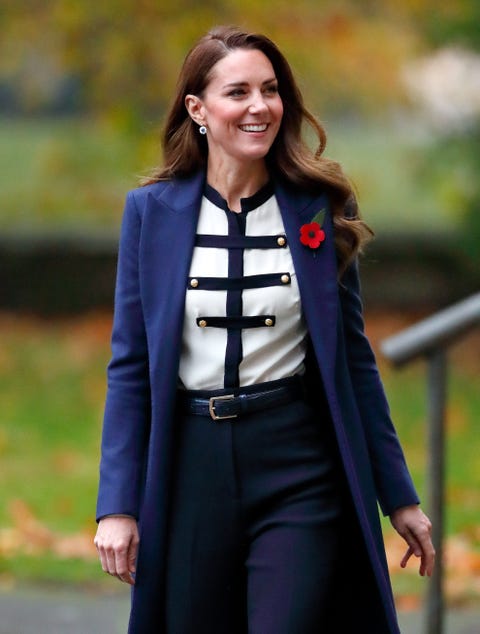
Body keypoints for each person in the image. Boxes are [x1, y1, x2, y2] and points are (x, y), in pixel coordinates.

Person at [94, 25, 435, 634]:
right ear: (198, 109)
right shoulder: (151, 213)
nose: (260, 106)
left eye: (271, 90)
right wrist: (117, 505)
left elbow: (352, 363)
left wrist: (399, 497)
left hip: (297, 466)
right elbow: (130, 367)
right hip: (191, 467)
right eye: (239, 92)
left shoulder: (318, 207)